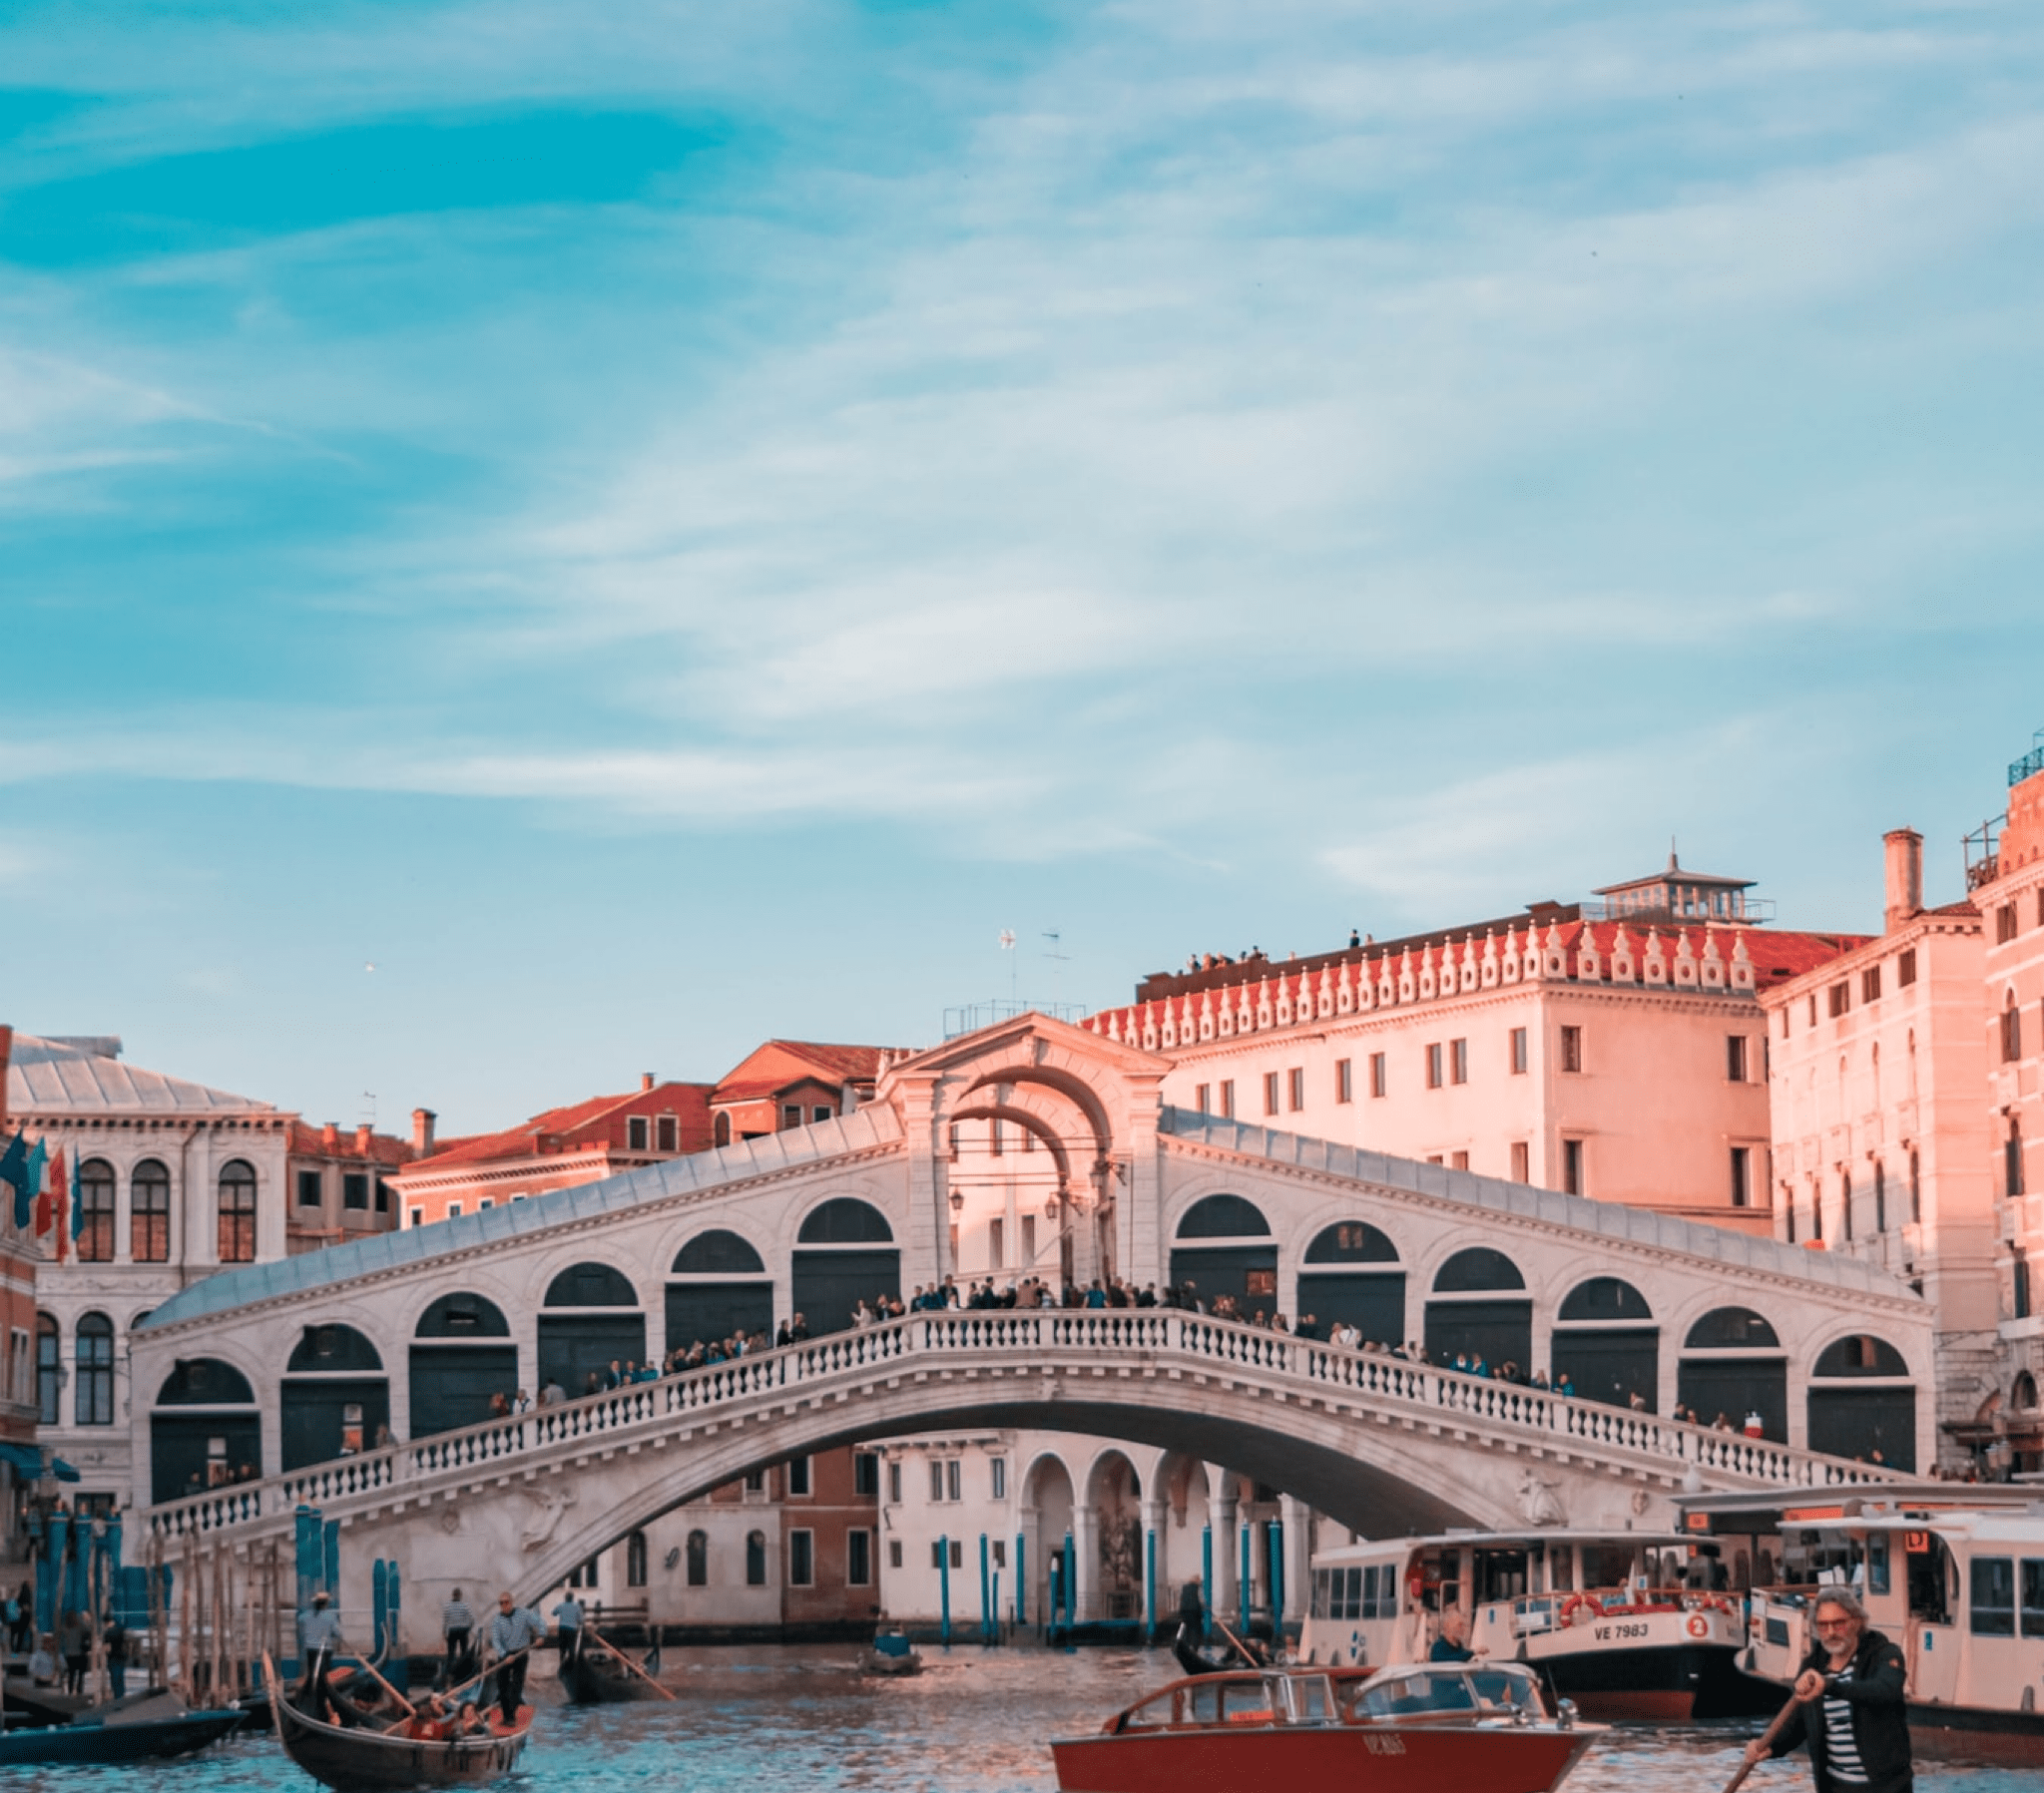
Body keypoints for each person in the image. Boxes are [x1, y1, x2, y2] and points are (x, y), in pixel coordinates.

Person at [1744, 1587, 1910, 1793]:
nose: (1831, 1632)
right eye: (1823, 1625)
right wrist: (1769, 1748)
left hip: (1886, 1789)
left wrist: (1830, 1686)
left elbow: (1886, 1691)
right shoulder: (1812, 1667)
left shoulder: (1883, 1654)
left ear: (1856, 1622)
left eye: (1838, 1624)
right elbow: (1797, 1725)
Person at [487, 1590, 545, 1726]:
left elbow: (541, 1622)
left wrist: (541, 1635)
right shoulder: (497, 1621)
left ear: (511, 1603)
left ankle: (511, 1717)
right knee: (501, 1685)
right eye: (501, 1603)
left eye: (506, 1602)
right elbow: (496, 1641)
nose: (504, 1605)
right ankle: (507, 1716)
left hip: (521, 1653)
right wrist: (504, 1655)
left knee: (516, 1686)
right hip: (505, 1655)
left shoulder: (524, 1614)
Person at [297, 1589, 345, 1718]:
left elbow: (300, 1620)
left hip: (310, 1649)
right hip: (324, 1650)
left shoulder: (306, 1616)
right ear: (326, 1603)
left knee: (313, 1672)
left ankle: (313, 1698)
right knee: (322, 1676)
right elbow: (339, 1634)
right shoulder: (330, 1617)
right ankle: (322, 1702)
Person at [442, 1586, 476, 1682]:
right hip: (463, 1630)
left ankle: (449, 1675)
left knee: (451, 1654)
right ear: (460, 1595)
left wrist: (444, 1632)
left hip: (452, 1631)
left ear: (453, 1595)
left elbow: (445, 1621)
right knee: (464, 1652)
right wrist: (469, 1628)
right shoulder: (465, 1606)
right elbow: (472, 1619)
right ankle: (464, 1674)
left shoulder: (447, 1606)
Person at [59, 1608, 90, 1694]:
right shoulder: (79, 1626)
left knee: (71, 1675)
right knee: (80, 1675)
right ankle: (79, 1691)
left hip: (69, 1654)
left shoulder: (65, 1627)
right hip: (79, 1653)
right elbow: (88, 1630)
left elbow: (61, 1636)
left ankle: (70, 1691)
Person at [551, 1588, 585, 1659]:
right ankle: (571, 1663)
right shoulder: (577, 1606)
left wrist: (560, 1612)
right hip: (572, 1629)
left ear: (565, 1598)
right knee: (571, 1646)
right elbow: (581, 1619)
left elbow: (553, 1613)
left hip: (562, 1628)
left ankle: (562, 1660)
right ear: (572, 1598)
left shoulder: (561, 1605)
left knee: (562, 1645)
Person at [104, 1607, 130, 1698]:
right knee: (120, 1677)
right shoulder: (120, 1630)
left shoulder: (107, 1633)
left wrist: (105, 1653)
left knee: (114, 1679)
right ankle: (122, 1695)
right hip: (121, 1656)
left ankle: (117, 1697)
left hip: (112, 1657)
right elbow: (125, 1644)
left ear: (106, 1622)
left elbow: (107, 1648)